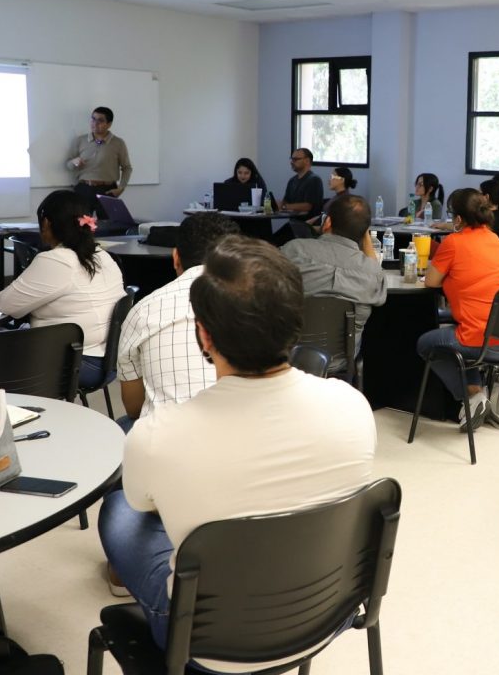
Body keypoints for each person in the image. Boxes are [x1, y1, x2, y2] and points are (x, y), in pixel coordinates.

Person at [98, 235, 376, 653]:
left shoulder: (158, 435)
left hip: (206, 645)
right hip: (327, 617)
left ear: (204, 336)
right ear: (296, 323)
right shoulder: (352, 405)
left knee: (118, 509)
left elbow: (143, 505)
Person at [115, 212, 241, 426]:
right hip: (247, 434)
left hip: (166, 438)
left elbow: (134, 408)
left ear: (175, 258)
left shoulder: (144, 310)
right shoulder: (258, 305)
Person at [0, 190, 126, 391]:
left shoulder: (57, 260)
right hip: (109, 360)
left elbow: (6, 304)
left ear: (46, 223)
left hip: (77, 362)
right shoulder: (102, 255)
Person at [416, 188, 499, 431]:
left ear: (459, 219)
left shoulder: (454, 242)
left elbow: (431, 281)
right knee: (456, 327)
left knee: (426, 343)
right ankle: (477, 399)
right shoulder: (496, 240)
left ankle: (473, 397)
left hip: (482, 338)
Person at [282, 193, 387, 373]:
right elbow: (379, 289)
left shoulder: (294, 250)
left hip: (287, 356)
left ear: (328, 222)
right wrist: (365, 236)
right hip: (340, 360)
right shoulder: (372, 271)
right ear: (364, 232)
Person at [67, 106, 132, 214]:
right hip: (84, 188)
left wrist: (121, 188)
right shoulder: (80, 140)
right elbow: (68, 165)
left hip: (107, 190)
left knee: (107, 223)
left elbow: (127, 168)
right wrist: (74, 162)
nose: (95, 123)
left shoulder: (118, 143)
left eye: (100, 120)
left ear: (109, 124)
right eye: (93, 119)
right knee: (81, 222)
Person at [281, 147, 323, 215]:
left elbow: (308, 206)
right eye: (291, 159)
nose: (291, 162)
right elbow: (286, 201)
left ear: (307, 161)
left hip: (308, 221)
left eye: (295, 159)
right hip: (293, 220)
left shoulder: (314, 180)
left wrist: (284, 206)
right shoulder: (292, 181)